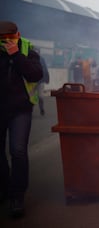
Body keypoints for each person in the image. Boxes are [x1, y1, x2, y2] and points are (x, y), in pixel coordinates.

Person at [0, 21, 43, 218]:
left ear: (18, 34)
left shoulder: (28, 49)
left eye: (11, 38)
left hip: (21, 110)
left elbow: (36, 74)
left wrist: (16, 55)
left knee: (17, 150)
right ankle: (4, 188)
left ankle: (17, 196)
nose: (7, 41)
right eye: (3, 39)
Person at [35, 49, 50, 115]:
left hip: (40, 81)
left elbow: (45, 69)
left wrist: (47, 79)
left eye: (37, 51)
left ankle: (41, 109)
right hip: (31, 82)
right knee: (29, 97)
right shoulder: (29, 58)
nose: (36, 53)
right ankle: (28, 110)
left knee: (40, 96)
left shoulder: (42, 59)